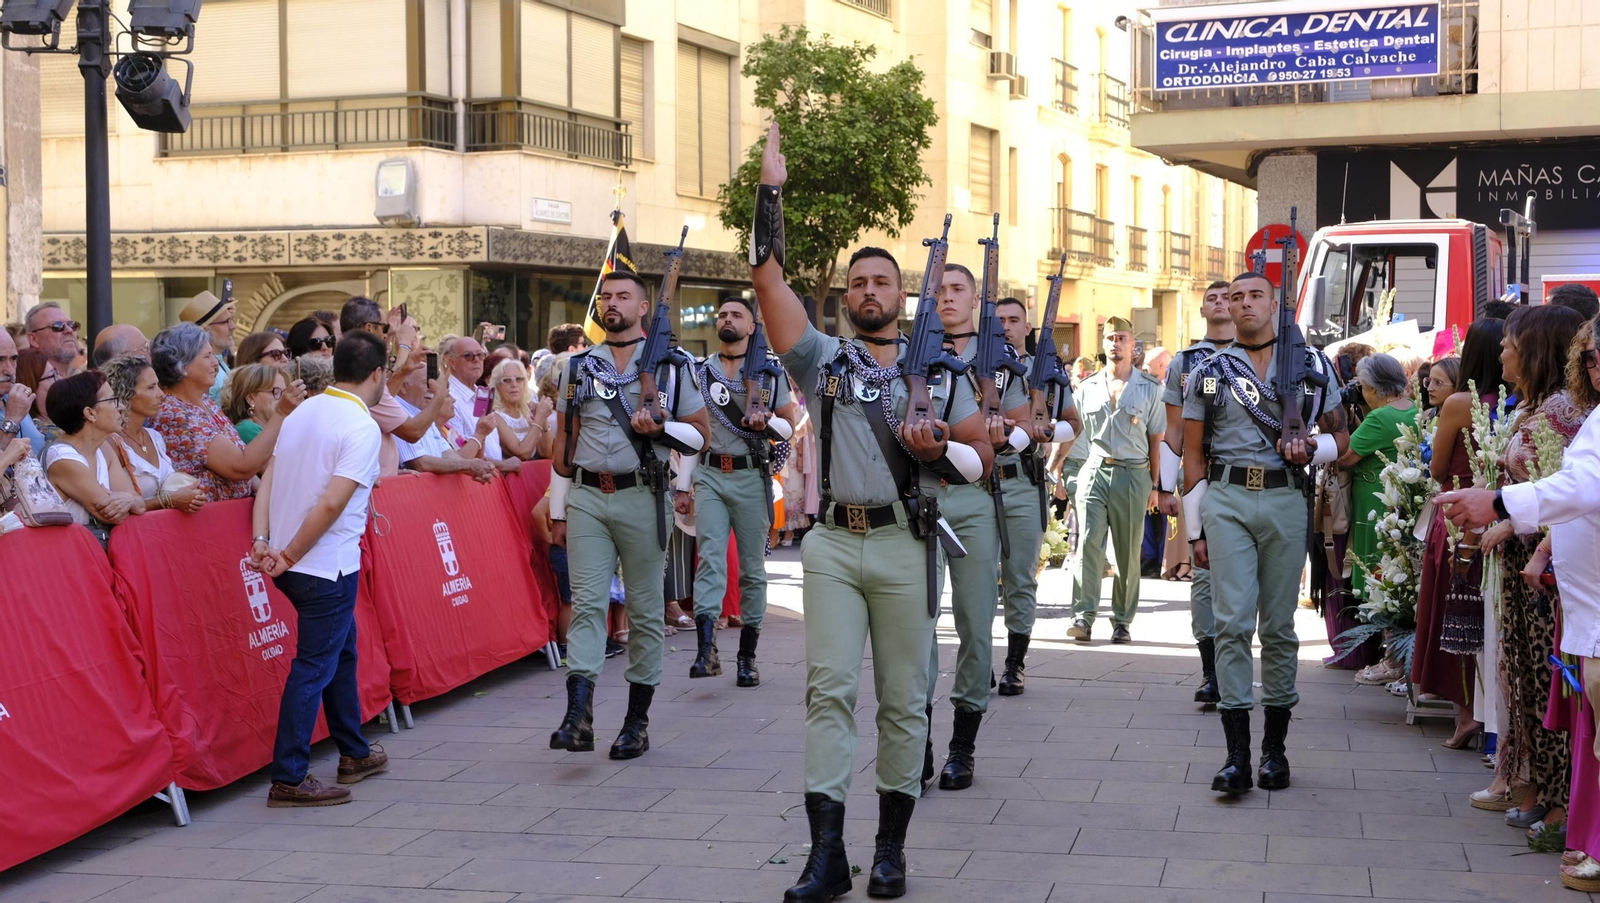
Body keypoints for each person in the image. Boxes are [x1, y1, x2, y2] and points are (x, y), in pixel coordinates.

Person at [751, 124, 992, 902]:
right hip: (830, 546)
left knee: (902, 698)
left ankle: (890, 848)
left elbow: (982, 456)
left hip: (904, 546)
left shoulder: (944, 374)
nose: (867, 290)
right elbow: (768, 283)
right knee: (827, 691)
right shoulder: (823, 358)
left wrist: (935, 448)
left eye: (881, 280)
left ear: (902, 296)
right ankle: (826, 855)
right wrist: (770, 193)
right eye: (857, 281)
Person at [1438, 315, 1600, 878]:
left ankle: (1562, 809)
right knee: (1547, 696)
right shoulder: (1565, 411)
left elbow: (1577, 488)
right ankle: (1558, 806)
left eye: (1512, 346)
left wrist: (1502, 511)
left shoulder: (1563, 413)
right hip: (1552, 578)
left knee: (1558, 700)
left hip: (1554, 580)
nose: (1504, 356)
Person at [1183, 271, 1348, 795]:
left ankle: (1274, 749)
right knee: (1231, 623)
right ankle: (1236, 757)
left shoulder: (1311, 365)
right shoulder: (1209, 372)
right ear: (1226, 308)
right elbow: (1191, 452)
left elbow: (1342, 436)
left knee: (1278, 626)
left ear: (1275, 303)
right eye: (1236, 297)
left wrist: (1310, 447)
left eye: (1256, 295)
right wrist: (1194, 534)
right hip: (1227, 497)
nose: (1245, 304)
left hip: (1284, 498)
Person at [547, 269, 710, 762]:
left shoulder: (673, 366)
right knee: (589, 603)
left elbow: (701, 435)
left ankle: (636, 721)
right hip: (589, 497)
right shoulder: (577, 367)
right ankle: (578, 717)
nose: (611, 302)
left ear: (644, 308)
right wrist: (559, 509)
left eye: (623, 296)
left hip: (645, 495)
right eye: (606, 296)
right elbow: (563, 444)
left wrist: (663, 428)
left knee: (643, 612)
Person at [250, 329, 389, 807]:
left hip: (296, 561)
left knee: (340, 651)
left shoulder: (304, 409)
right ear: (377, 374)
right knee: (313, 667)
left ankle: (352, 750)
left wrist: (264, 541)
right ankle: (289, 776)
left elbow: (267, 479)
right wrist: (283, 551)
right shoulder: (361, 426)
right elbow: (331, 504)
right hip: (323, 566)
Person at [922, 262, 1030, 791]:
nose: (947, 298)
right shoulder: (910, 353)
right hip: (918, 499)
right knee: (915, 626)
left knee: (973, 623)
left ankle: (962, 745)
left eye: (957, 289)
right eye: (939, 290)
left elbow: (1030, 426)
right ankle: (915, 734)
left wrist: (1005, 434)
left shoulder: (1002, 359)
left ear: (976, 298)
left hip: (973, 499)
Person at [679, 296, 797, 686]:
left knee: (752, 570)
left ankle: (747, 657)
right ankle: (706, 650)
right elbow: (695, 434)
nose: (727, 319)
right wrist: (684, 485)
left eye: (736, 315)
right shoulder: (699, 372)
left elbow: (789, 426)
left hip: (751, 475)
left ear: (751, 326)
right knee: (710, 558)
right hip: (711, 474)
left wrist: (766, 424)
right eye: (722, 315)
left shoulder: (769, 370)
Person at [1414, 323, 1505, 752]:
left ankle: (1466, 713)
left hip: (1457, 514)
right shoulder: (1515, 404)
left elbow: (1436, 469)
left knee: (1454, 615)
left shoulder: (1459, 403)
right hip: (1501, 513)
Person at [993, 296, 1080, 697]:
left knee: (1020, 577)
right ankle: (978, 659)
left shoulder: (1044, 370)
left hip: (1022, 479)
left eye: (1014, 320)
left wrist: (1046, 433)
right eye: (1000, 320)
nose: (1007, 326)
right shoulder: (978, 366)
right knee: (975, 579)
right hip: (975, 480)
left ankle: (1014, 663)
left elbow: (1072, 424)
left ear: (1028, 327)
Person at [1156, 280, 1235, 706]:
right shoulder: (1185, 363)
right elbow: (1172, 430)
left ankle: (1235, 666)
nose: (1221, 303)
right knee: (1202, 576)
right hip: (1199, 478)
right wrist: (1164, 486)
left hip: (1244, 475)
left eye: (1229, 297)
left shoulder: (1260, 358)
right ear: (1202, 310)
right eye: (1213, 298)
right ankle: (1211, 673)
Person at [1067, 316, 1166, 645]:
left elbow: (1156, 441)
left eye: (1121, 337)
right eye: (1109, 337)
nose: (1115, 343)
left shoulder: (1149, 389)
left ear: (1132, 344)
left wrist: (1154, 485)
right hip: (1095, 470)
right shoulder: (1087, 387)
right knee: (1088, 546)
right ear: (1103, 343)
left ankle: (1122, 620)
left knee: (1127, 552)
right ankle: (1083, 616)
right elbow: (1077, 432)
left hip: (1133, 474)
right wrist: (1062, 470)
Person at [150, 323, 301, 501]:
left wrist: (266, 502)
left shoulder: (205, 402)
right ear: (183, 366)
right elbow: (241, 466)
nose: (216, 363)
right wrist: (281, 413)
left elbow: (242, 460)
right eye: (207, 356)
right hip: (206, 521)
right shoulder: (176, 414)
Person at [1339, 353, 1418, 684]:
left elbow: (1345, 458)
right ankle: (1397, 658)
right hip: (1400, 506)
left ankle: (1390, 659)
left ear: (1372, 386)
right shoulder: (1414, 409)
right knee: (1398, 574)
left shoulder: (1379, 418)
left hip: (1373, 508)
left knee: (1379, 579)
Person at [42, 371, 145, 540]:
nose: (121, 406)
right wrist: (129, 500)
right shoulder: (62, 458)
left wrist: (128, 499)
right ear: (90, 413)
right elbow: (111, 515)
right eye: (112, 401)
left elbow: (139, 505)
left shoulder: (103, 447)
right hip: (71, 553)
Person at [102, 354, 206, 513]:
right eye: (151, 388)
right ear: (125, 394)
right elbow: (119, 508)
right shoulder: (110, 443)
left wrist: (192, 494)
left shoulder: (154, 437)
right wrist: (170, 500)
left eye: (158, 386)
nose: (161, 395)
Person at [390, 361, 502, 481]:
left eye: (435, 384)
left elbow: (448, 455)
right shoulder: (396, 412)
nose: (433, 390)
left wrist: (475, 469)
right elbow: (421, 463)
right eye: (426, 383)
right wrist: (469, 466)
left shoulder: (422, 412)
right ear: (403, 386)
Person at [22, 302, 80, 420]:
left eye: (72, 325)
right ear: (33, 339)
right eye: (57, 326)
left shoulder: (83, 380)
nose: (69, 330)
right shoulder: (24, 384)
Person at [177, 290, 237, 402]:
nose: (233, 326)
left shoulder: (217, 361)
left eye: (231, 320)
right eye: (226, 321)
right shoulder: (207, 373)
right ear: (205, 330)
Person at [483, 358, 547, 461]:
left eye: (519, 379)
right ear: (496, 386)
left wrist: (544, 418)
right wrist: (540, 418)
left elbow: (547, 452)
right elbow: (522, 453)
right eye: (506, 380)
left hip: (534, 473)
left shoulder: (527, 411)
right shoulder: (494, 416)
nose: (514, 384)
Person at [0, 327, 45, 458]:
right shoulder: (16, 405)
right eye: (0, 360)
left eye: (13, 359)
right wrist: (12, 419)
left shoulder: (13, 398)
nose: (10, 371)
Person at [222, 363, 287, 445]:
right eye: (276, 392)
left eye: (285, 392)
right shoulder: (247, 429)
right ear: (251, 399)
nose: (284, 398)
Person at [443, 334, 488, 436]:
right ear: (452, 363)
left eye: (480, 355)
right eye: (468, 356)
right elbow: (459, 449)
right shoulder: (449, 398)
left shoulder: (482, 393)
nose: (476, 360)